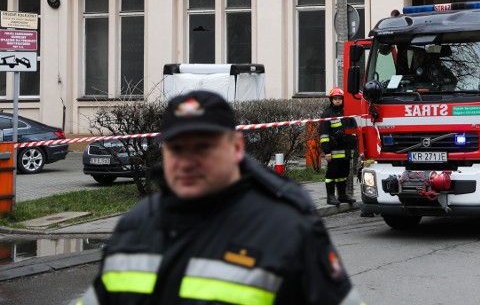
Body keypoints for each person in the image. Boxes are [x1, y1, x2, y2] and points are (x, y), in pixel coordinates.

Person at [76, 90, 363, 305]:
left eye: (203, 147)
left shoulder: (289, 230)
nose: (188, 161)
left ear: (237, 147)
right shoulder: (134, 226)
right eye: (177, 147)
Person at [319, 87, 358, 206]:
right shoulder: (327, 114)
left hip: (346, 150)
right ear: (331, 100)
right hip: (333, 151)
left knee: (343, 173)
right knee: (332, 174)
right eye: (335, 98)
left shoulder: (347, 113)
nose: (337, 101)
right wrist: (327, 151)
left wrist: (353, 147)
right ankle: (330, 197)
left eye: (339, 98)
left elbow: (353, 130)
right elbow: (324, 135)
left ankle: (342, 196)